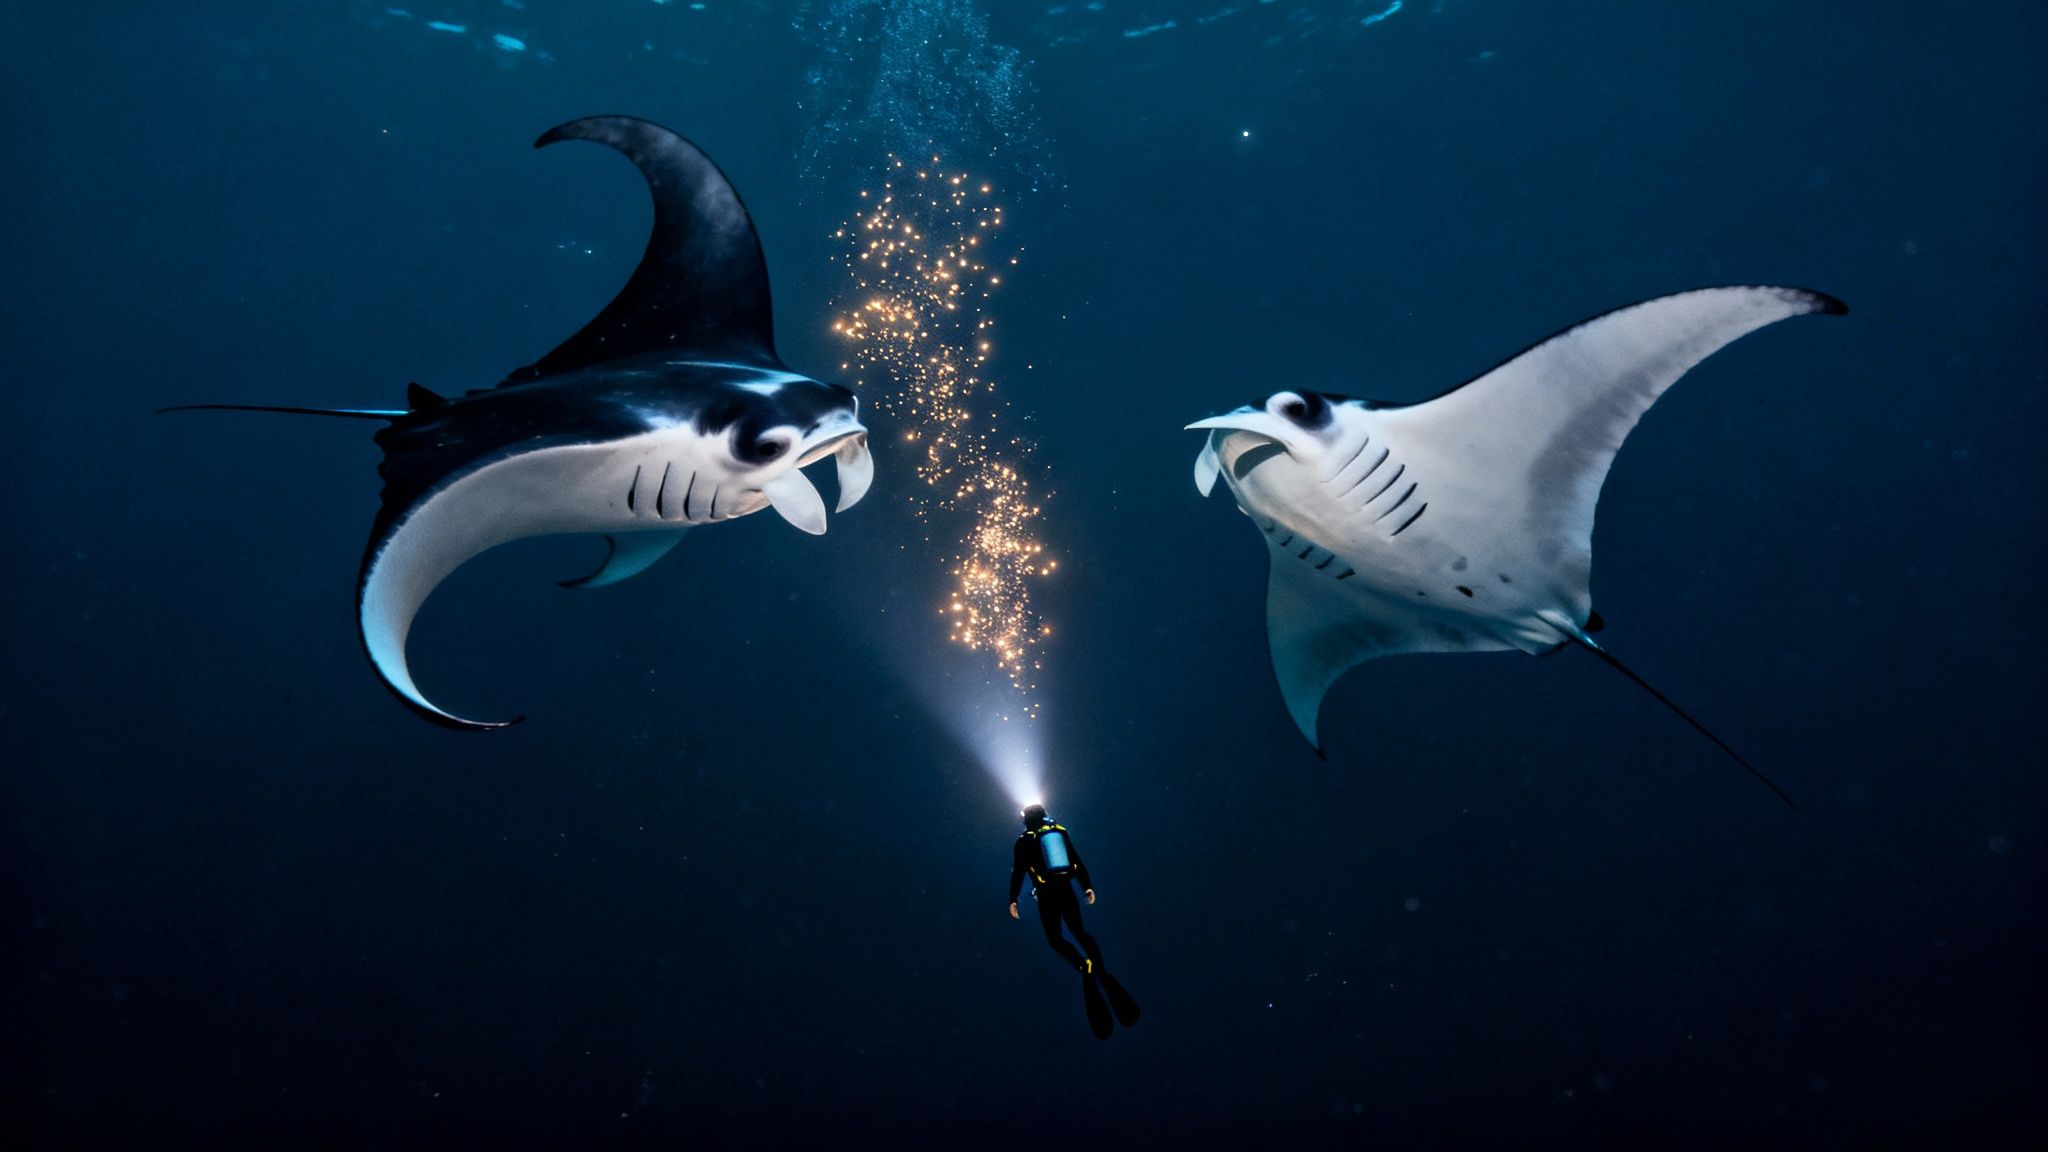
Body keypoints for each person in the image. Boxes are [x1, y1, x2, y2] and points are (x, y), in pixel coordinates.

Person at [1007, 804, 1101, 974]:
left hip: (1046, 896)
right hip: (1066, 889)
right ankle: (1098, 964)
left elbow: (1018, 873)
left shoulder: (1023, 842)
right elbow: (1076, 860)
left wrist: (1013, 899)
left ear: (1025, 820)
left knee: (1055, 939)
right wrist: (1087, 886)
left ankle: (1083, 965)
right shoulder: (1059, 832)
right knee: (1079, 931)